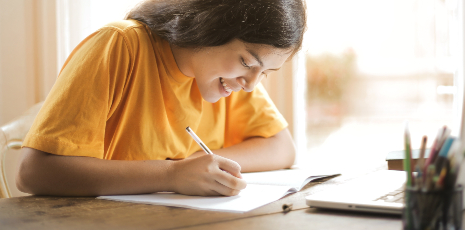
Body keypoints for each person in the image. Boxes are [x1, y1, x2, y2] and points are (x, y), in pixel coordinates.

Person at [16, 0, 306, 197]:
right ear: (210, 26)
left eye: (265, 73)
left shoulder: (227, 80)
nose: (250, 84)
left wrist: (198, 166)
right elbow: (33, 172)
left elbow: (282, 147)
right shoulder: (120, 46)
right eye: (246, 62)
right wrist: (171, 173)